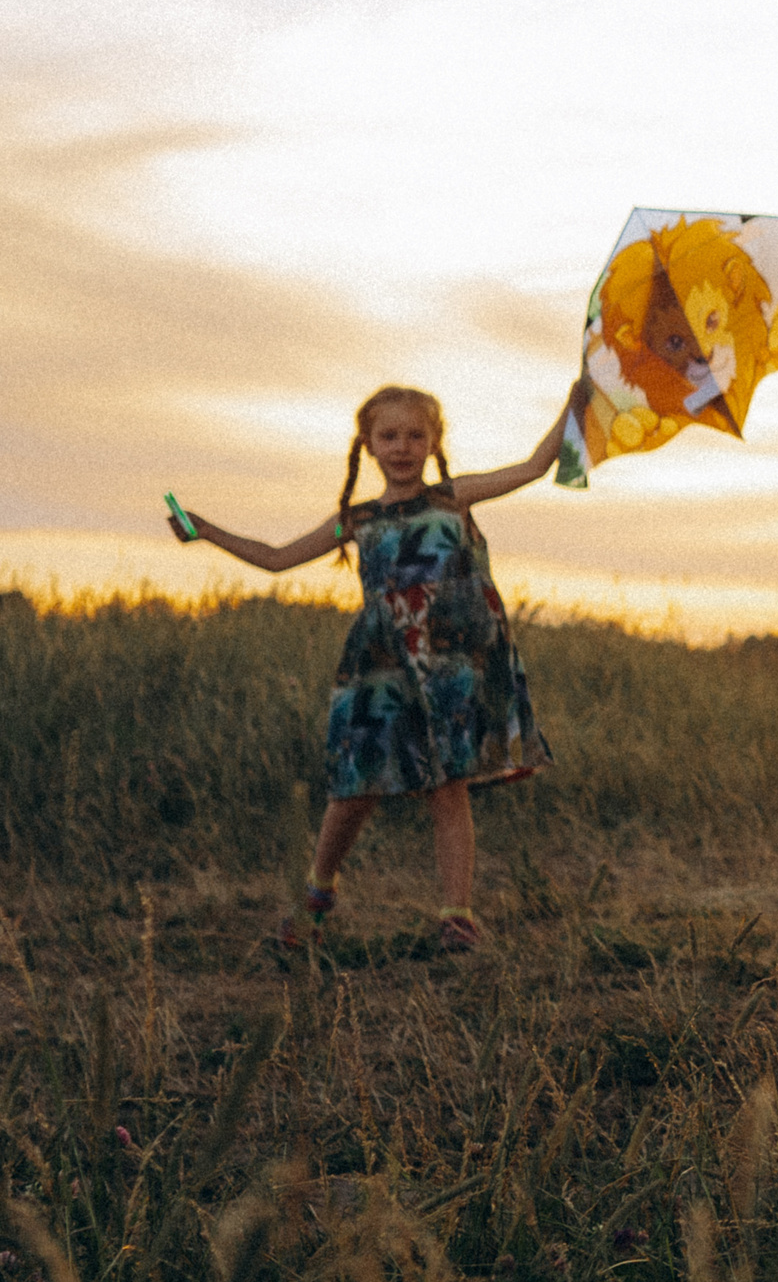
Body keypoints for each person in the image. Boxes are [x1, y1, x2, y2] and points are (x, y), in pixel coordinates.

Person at [170, 382, 581, 952]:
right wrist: (207, 532)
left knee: (448, 786)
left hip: (448, 664)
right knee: (353, 787)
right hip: (380, 667)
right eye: (388, 435)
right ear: (367, 444)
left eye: (416, 435)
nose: (402, 446)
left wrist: (576, 397)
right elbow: (277, 558)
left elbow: (537, 465)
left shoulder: (453, 498)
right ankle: (316, 899)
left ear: (434, 440)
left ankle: (456, 917)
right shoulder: (357, 519)